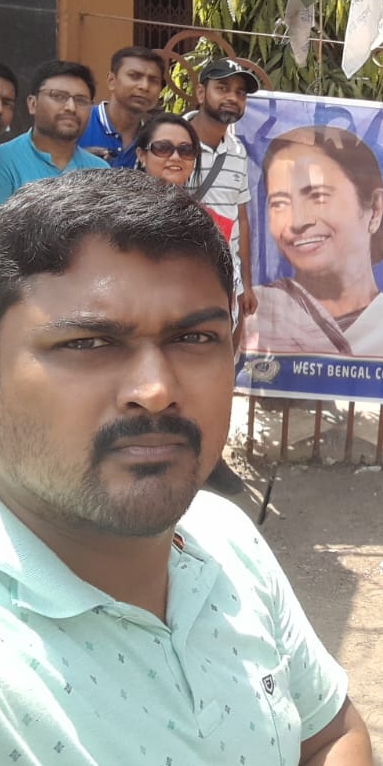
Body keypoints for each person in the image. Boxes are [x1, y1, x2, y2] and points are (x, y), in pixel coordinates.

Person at [0, 169, 376, 766]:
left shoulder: (224, 537)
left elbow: (327, 732)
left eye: (195, 337)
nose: (155, 389)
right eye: (88, 343)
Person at [244, 125, 383, 360]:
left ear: (375, 209)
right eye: (279, 203)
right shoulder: (250, 316)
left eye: (318, 196)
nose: (297, 221)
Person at [133, 111, 247, 496]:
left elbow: (222, 274)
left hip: (188, 334)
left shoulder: (202, 217)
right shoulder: (117, 211)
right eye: (163, 148)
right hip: (137, 335)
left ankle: (198, 467)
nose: (175, 157)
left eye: (185, 150)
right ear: (142, 154)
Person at [189, 58, 260, 326]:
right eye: (222, 88)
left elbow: (240, 218)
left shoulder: (238, 152)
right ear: (200, 93)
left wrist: (246, 284)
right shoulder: (171, 142)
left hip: (227, 279)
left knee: (226, 347)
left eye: (240, 93)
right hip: (181, 274)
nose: (232, 97)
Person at [0, 60, 108, 209]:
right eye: (58, 96)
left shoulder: (100, 170)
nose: (71, 108)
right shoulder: (3, 160)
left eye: (81, 100)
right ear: (32, 104)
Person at [79, 46, 167, 167]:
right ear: (111, 81)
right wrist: (76, 160)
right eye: (134, 76)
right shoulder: (79, 121)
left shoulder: (156, 136)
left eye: (153, 81)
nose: (145, 86)